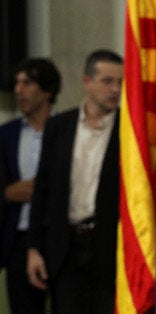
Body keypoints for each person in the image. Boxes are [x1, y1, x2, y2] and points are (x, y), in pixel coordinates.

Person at [26, 49, 123, 314]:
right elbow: (41, 191)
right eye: (107, 81)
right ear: (86, 82)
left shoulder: (129, 129)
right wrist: (34, 248)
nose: (115, 89)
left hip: (109, 251)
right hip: (64, 249)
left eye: (120, 82)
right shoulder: (59, 126)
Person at [0, 58, 61, 314]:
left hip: (59, 239)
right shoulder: (6, 134)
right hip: (18, 241)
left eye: (27, 83)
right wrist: (6, 194)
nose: (18, 90)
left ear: (47, 90)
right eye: (16, 83)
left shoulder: (66, 129)